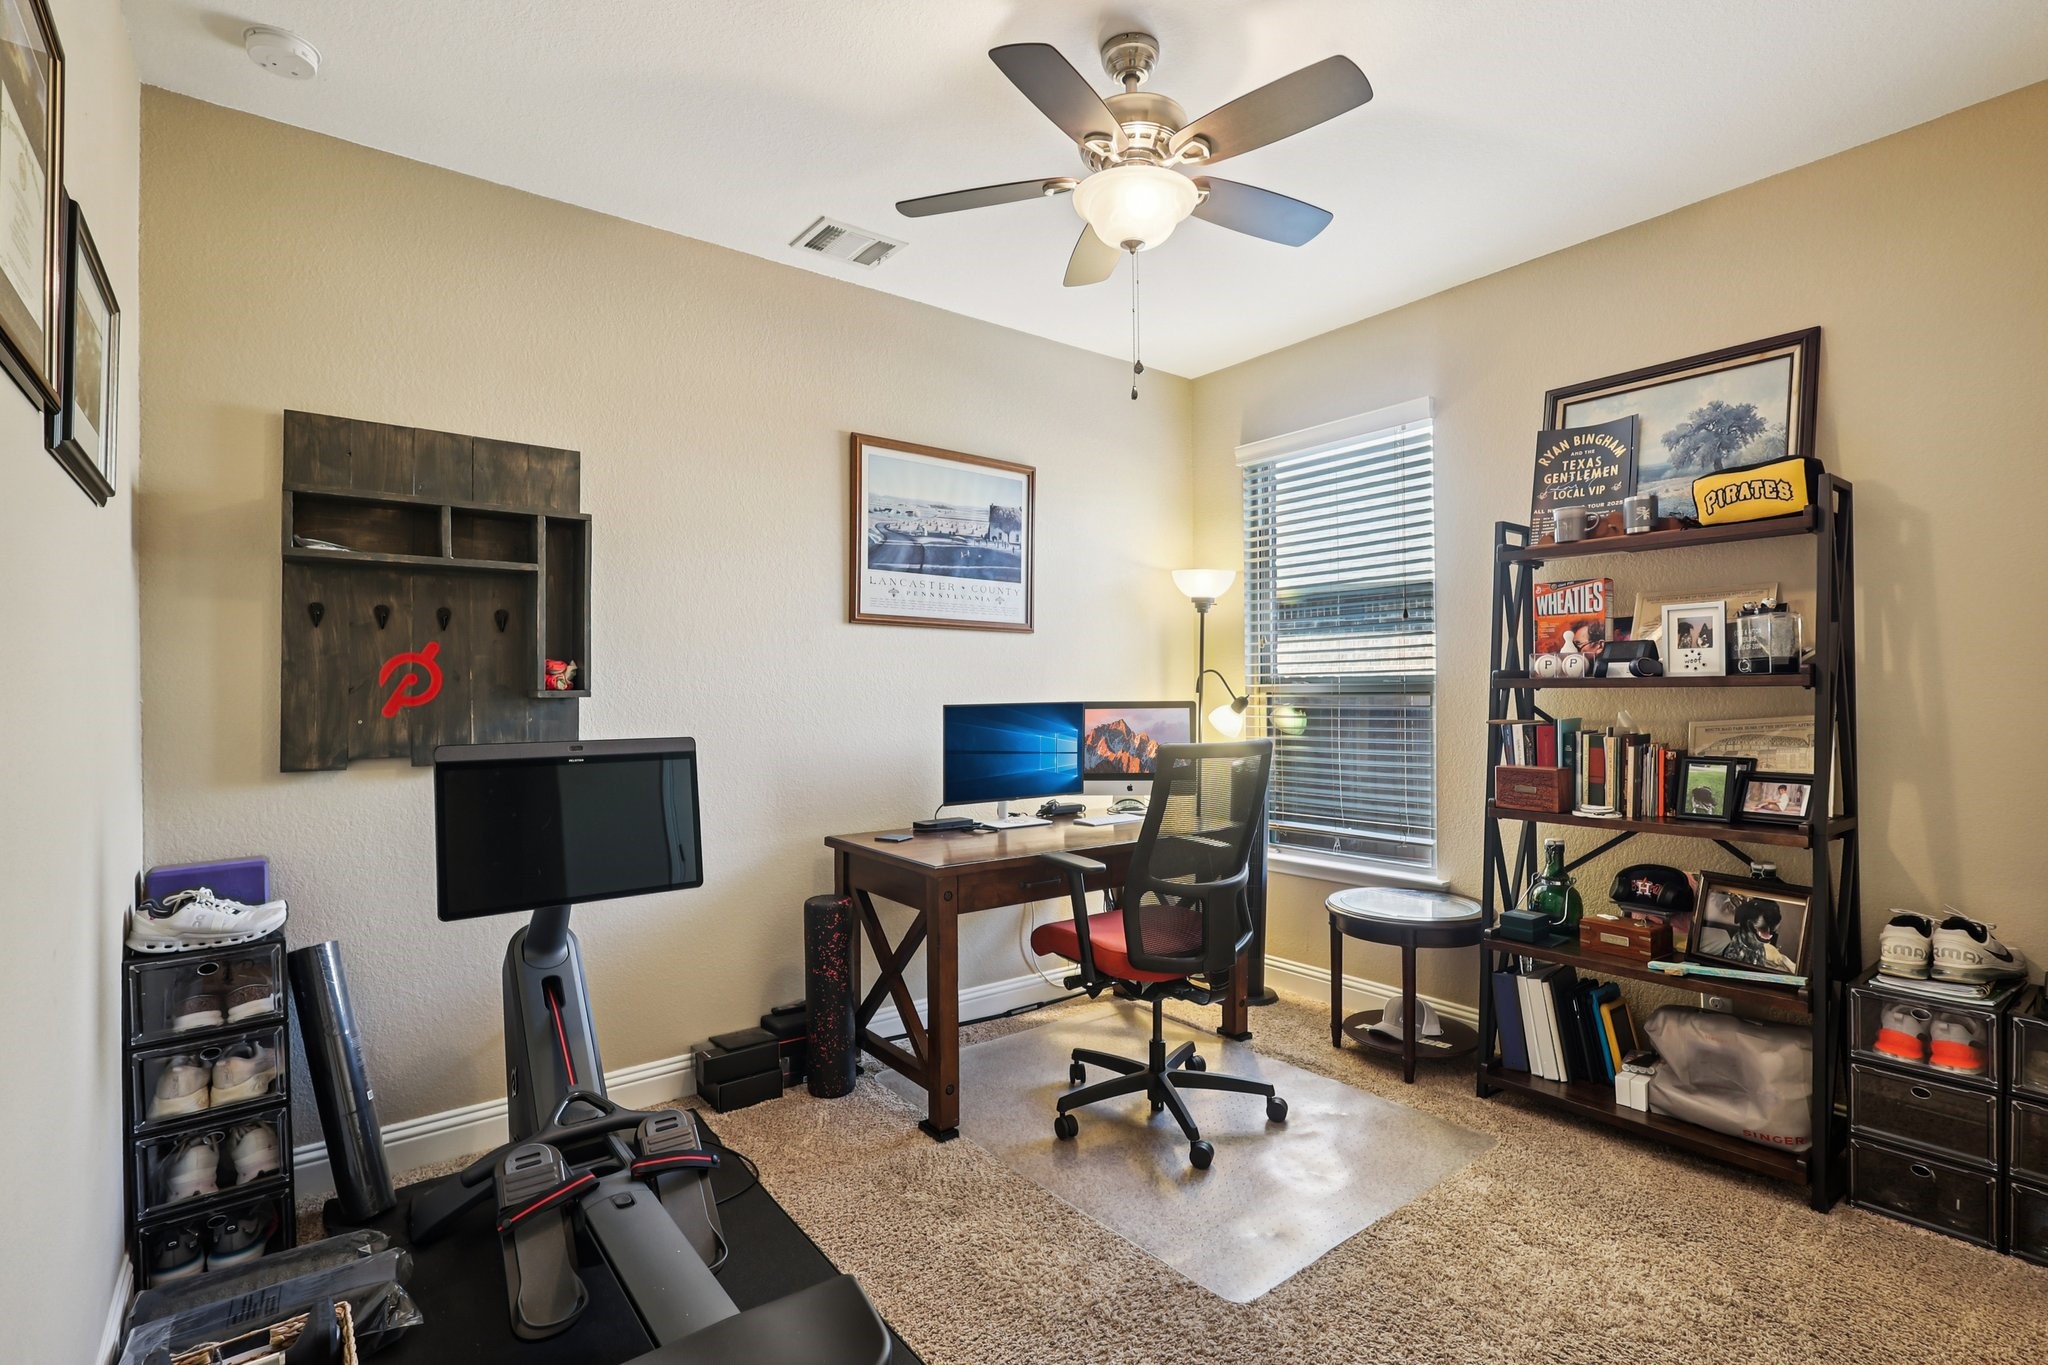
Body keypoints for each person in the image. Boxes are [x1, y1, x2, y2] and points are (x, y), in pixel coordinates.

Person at [1721, 896, 1795, 971]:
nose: (1771, 917)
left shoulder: (1761, 951)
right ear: (1742, 913)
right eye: (1757, 909)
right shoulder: (1732, 952)